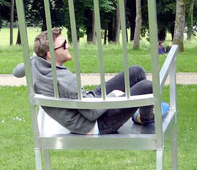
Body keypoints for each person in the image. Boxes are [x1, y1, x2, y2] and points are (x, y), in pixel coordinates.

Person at [13, 28, 167, 135]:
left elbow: (17, 71)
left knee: (136, 72)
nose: (68, 47)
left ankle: (143, 113)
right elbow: (92, 114)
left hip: (88, 100)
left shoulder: (36, 64)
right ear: (50, 54)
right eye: (64, 45)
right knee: (147, 86)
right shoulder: (65, 81)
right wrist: (113, 96)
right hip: (98, 123)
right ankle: (144, 117)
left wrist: (37, 51)